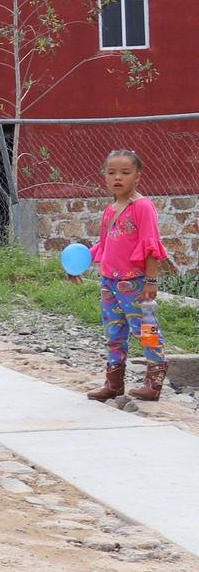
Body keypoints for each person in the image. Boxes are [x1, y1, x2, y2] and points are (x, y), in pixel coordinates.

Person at [79, 149, 169, 402]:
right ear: (105, 177)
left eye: (125, 173)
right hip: (109, 282)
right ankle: (114, 383)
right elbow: (104, 247)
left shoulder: (143, 207)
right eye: (112, 173)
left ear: (138, 177)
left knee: (146, 330)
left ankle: (154, 380)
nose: (118, 177)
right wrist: (75, 266)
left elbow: (151, 244)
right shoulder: (109, 210)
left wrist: (151, 281)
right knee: (114, 333)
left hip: (136, 282)